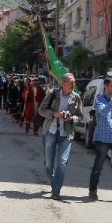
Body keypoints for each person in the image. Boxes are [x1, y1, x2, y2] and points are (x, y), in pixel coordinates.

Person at [38, 72, 83, 200]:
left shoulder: (76, 97)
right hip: (50, 131)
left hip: (66, 134)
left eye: (74, 81)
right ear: (63, 83)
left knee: (62, 162)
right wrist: (54, 114)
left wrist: (71, 118)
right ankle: (53, 181)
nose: (73, 84)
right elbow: (41, 110)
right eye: (71, 82)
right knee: (48, 163)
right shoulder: (53, 94)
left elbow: (80, 116)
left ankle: (56, 190)